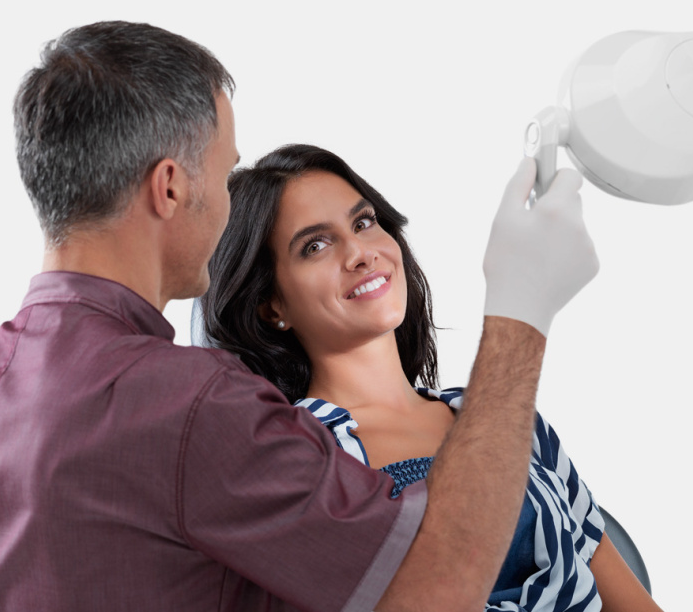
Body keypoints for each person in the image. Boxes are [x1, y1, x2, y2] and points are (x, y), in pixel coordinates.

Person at [0, 21, 601, 612]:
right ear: (169, 186)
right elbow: (434, 592)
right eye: (225, 175)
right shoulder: (192, 404)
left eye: (363, 222)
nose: (228, 204)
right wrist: (520, 309)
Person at [199, 144, 660, 612]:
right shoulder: (294, 457)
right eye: (314, 246)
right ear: (271, 305)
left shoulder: (510, 417)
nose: (359, 253)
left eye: (363, 222)